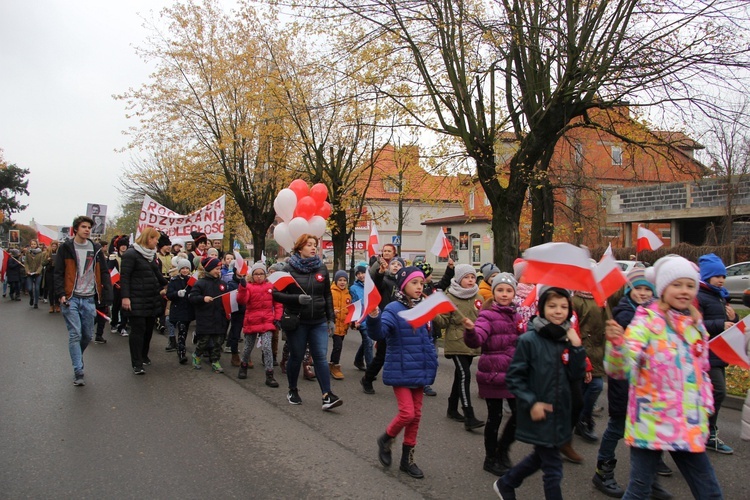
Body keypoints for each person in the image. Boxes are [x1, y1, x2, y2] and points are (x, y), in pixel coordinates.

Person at [604, 255, 723, 499]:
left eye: (690, 285)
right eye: (677, 285)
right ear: (663, 288)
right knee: (639, 491)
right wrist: (618, 345)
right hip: (652, 422)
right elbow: (620, 369)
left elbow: (702, 371)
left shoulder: (696, 325)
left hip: (687, 422)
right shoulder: (646, 321)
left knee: (710, 492)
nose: (684, 291)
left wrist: (706, 405)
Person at [492, 286, 586, 500]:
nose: (558, 311)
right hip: (539, 412)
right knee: (553, 468)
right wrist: (532, 402)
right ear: (541, 309)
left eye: (563, 306)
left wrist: (577, 347)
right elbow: (514, 378)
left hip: (559, 412)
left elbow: (575, 374)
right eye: (552, 306)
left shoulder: (566, 338)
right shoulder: (529, 340)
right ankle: (506, 483)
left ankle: (506, 483)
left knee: (540, 458)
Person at [593, 267, 672, 498]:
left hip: (649, 387)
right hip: (625, 385)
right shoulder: (625, 314)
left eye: (648, 289)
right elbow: (622, 355)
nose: (643, 293)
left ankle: (649, 479)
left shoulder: (655, 314)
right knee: (617, 427)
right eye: (638, 288)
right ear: (629, 291)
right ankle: (603, 470)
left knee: (651, 433)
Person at [369, 266, 438, 479]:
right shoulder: (393, 309)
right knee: (407, 413)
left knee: (416, 416)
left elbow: (429, 338)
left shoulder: (424, 307)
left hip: (419, 368)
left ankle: (407, 460)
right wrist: (373, 317)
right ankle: (386, 438)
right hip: (400, 369)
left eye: (421, 283)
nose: (419, 287)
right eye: (414, 283)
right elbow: (379, 333)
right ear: (403, 285)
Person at [272, 234, 342, 411]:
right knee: (296, 356)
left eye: (315, 245)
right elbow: (275, 294)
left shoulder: (321, 268)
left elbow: (327, 295)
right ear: (300, 247)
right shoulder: (288, 269)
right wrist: (297, 299)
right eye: (309, 245)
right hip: (298, 321)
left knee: (320, 357)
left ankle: (327, 395)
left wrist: (331, 319)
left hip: (318, 321)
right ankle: (292, 390)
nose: (313, 248)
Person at [464, 273, 523, 477]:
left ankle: (503, 448)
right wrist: (471, 331)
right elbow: (476, 340)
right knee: (495, 418)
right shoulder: (487, 315)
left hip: (514, 374)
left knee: (520, 414)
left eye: (508, 290)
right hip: (493, 374)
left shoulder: (517, 315)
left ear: (514, 293)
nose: (504, 294)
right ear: (494, 292)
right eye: (500, 290)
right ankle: (490, 458)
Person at [54, 216, 113, 386]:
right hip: (70, 298)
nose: (87, 230)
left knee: (87, 335)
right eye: (84, 227)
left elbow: (103, 272)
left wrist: (107, 295)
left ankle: (77, 357)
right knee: (75, 334)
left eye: (89, 227)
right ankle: (78, 370)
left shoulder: (95, 248)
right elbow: (58, 272)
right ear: (76, 229)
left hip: (89, 298)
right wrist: (61, 293)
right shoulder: (66, 247)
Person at [433, 263, 485, 430]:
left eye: (472, 277)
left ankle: (452, 408)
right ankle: (469, 414)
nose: (470, 281)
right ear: (459, 279)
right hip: (456, 342)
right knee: (464, 375)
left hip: (472, 341)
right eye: (467, 278)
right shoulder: (450, 297)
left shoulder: (478, 296)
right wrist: (433, 312)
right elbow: (443, 322)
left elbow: (483, 318)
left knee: (459, 375)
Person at [697, 253, 737, 455]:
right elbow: (695, 325)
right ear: (706, 276)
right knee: (718, 391)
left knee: (717, 393)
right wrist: (720, 324)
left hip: (719, 353)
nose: (721, 279)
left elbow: (728, 323)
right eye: (717, 276)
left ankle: (707, 432)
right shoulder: (700, 296)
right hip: (706, 353)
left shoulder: (720, 296)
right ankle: (705, 432)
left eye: (723, 276)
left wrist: (734, 317)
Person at [120, 227, 168, 375]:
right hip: (136, 298)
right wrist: (125, 297)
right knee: (138, 331)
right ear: (149, 239)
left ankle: (143, 355)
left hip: (151, 298)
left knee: (148, 330)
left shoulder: (151, 255)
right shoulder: (131, 254)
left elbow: (157, 274)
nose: (157, 242)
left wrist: (168, 284)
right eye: (155, 239)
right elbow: (125, 277)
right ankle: (136, 362)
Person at [361, 255, 405, 394]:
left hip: (400, 323)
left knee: (401, 353)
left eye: (399, 264)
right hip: (386, 321)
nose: (396, 266)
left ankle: (403, 381)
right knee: (382, 355)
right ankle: (367, 378)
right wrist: (380, 272)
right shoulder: (385, 281)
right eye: (393, 264)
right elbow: (377, 284)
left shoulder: (404, 284)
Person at [237, 262, 282, 386]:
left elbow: (278, 304)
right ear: (252, 275)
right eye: (256, 274)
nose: (259, 276)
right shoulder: (249, 287)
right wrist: (242, 288)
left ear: (265, 274)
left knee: (267, 347)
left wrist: (278, 318)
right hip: (252, 320)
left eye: (261, 274)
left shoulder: (271, 286)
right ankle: (243, 365)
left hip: (267, 321)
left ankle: (269, 374)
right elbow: (242, 300)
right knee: (247, 348)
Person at [415, 259, 455, 397]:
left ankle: (425, 382)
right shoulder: (418, 292)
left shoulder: (433, 289)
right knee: (422, 359)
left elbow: (444, 283)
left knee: (432, 359)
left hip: (433, 332)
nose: (431, 276)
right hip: (421, 332)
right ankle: (422, 383)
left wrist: (449, 269)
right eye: (429, 274)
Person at [572, 287, 607, 443]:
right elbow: (574, 328)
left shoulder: (601, 298)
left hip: (598, 349)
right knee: (595, 385)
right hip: (583, 349)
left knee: (589, 386)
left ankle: (581, 420)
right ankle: (583, 419)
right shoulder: (575, 300)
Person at [189, 256, 229, 373]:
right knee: (204, 341)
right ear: (209, 269)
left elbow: (226, 299)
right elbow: (192, 297)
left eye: (220, 268)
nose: (219, 271)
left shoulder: (222, 284)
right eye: (216, 268)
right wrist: (203, 298)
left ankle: (215, 360)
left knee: (218, 342)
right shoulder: (200, 283)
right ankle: (197, 355)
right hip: (205, 317)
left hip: (219, 318)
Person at [166, 257, 195, 364]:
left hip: (189, 309)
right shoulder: (174, 281)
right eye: (183, 268)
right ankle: (181, 351)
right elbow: (169, 295)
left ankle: (182, 348)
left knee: (185, 329)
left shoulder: (192, 281)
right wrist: (177, 293)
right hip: (178, 309)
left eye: (187, 268)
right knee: (182, 331)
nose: (185, 270)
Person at [220, 252, 244, 367]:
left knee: (249, 334)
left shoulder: (247, 281)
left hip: (248, 311)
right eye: (239, 269)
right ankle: (234, 353)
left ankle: (246, 356)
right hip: (237, 311)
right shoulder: (232, 283)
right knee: (235, 332)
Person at [350, 264, 374, 373]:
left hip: (372, 317)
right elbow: (354, 305)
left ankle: (358, 360)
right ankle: (371, 368)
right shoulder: (353, 288)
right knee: (368, 342)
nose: (360, 275)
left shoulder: (372, 285)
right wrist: (355, 320)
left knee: (367, 341)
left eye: (362, 273)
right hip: (361, 319)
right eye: (358, 274)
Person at [329, 270, 351, 380]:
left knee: (338, 346)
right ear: (335, 281)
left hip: (343, 326)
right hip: (334, 324)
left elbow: (349, 310)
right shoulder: (331, 292)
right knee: (338, 346)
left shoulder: (347, 294)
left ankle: (331, 363)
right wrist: (333, 312)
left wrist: (351, 322)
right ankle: (335, 366)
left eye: (344, 280)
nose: (342, 282)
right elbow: (326, 307)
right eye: (340, 280)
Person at [108, 235, 130, 336]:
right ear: (118, 246)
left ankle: (123, 326)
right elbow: (110, 270)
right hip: (117, 283)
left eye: (125, 245)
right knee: (116, 305)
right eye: (121, 245)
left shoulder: (130, 256)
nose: (123, 247)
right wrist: (115, 283)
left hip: (127, 283)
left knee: (125, 306)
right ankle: (114, 323)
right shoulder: (113, 256)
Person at [24, 239, 44, 309]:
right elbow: (26, 263)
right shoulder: (27, 252)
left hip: (38, 273)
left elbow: (41, 263)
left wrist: (38, 271)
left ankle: (36, 303)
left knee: (37, 288)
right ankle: (31, 297)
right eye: (32, 244)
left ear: (36, 245)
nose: (33, 245)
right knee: (29, 288)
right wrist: (27, 270)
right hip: (29, 273)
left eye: (34, 244)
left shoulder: (40, 253)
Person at [42, 241, 61, 312]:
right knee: (51, 289)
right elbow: (43, 263)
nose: (54, 247)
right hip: (49, 272)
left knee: (57, 290)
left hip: (57, 272)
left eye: (55, 246)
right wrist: (48, 260)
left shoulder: (59, 253)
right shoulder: (47, 253)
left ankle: (57, 304)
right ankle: (51, 305)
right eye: (52, 246)